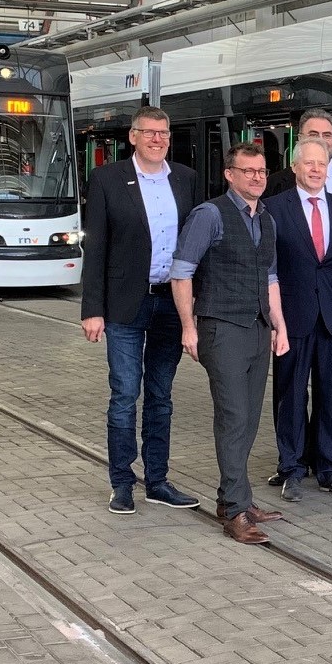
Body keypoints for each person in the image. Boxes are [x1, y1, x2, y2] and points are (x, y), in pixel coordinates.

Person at [80, 107, 203, 515]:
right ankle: (121, 483)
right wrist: (92, 308)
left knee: (161, 396)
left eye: (163, 133)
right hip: (124, 305)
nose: (157, 139)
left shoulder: (185, 179)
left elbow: (196, 244)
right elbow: (96, 246)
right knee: (125, 394)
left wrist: (197, 305)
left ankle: (157, 481)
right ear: (132, 136)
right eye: (149, 132)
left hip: (171, 303)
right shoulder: (107, 179)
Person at [170, 143, 291, 544]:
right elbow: (182, 272)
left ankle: (233, 499)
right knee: (234, 417)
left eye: (262, 171)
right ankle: (237, 511)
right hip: (221, 328)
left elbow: (270, 278)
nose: (257, 177)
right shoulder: (209, 215)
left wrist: (280, 326)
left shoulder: (266, 218)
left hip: (257, 328)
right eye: (248, 171)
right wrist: (188, 327)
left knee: (250, 418)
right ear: (229, 174)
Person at [265, 138, 332, 501]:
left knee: (331, 396)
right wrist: (273, 322)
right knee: (290, 396)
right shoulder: (274, 208)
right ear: (295, 167)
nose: (315, 169)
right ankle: (291, 469)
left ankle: (330, 469)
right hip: (291, 320)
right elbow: (268, 269)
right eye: (308, 163)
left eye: (321, 164)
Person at [265, 108, 332, 198]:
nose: (321, 140)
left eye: (327, 135)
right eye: (313, 135)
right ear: (300, 138)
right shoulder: (273, 185)